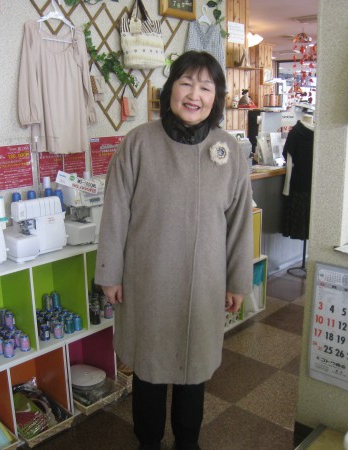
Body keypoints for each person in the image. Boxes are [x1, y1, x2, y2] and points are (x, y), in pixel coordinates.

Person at [94, 51, 253, 450]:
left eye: (206, 87)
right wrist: (109, 274)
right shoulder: (139, 142)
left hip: (204, 283)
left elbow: (239, 222)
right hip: (148, 279)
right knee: (148, 371)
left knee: (193, 372)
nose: (194, 95)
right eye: (186, 83)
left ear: (217, 97)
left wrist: (238, 281)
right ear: (170, 91)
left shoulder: (229, 150)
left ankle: (187, 442)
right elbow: (115, 212)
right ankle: (148, 442)